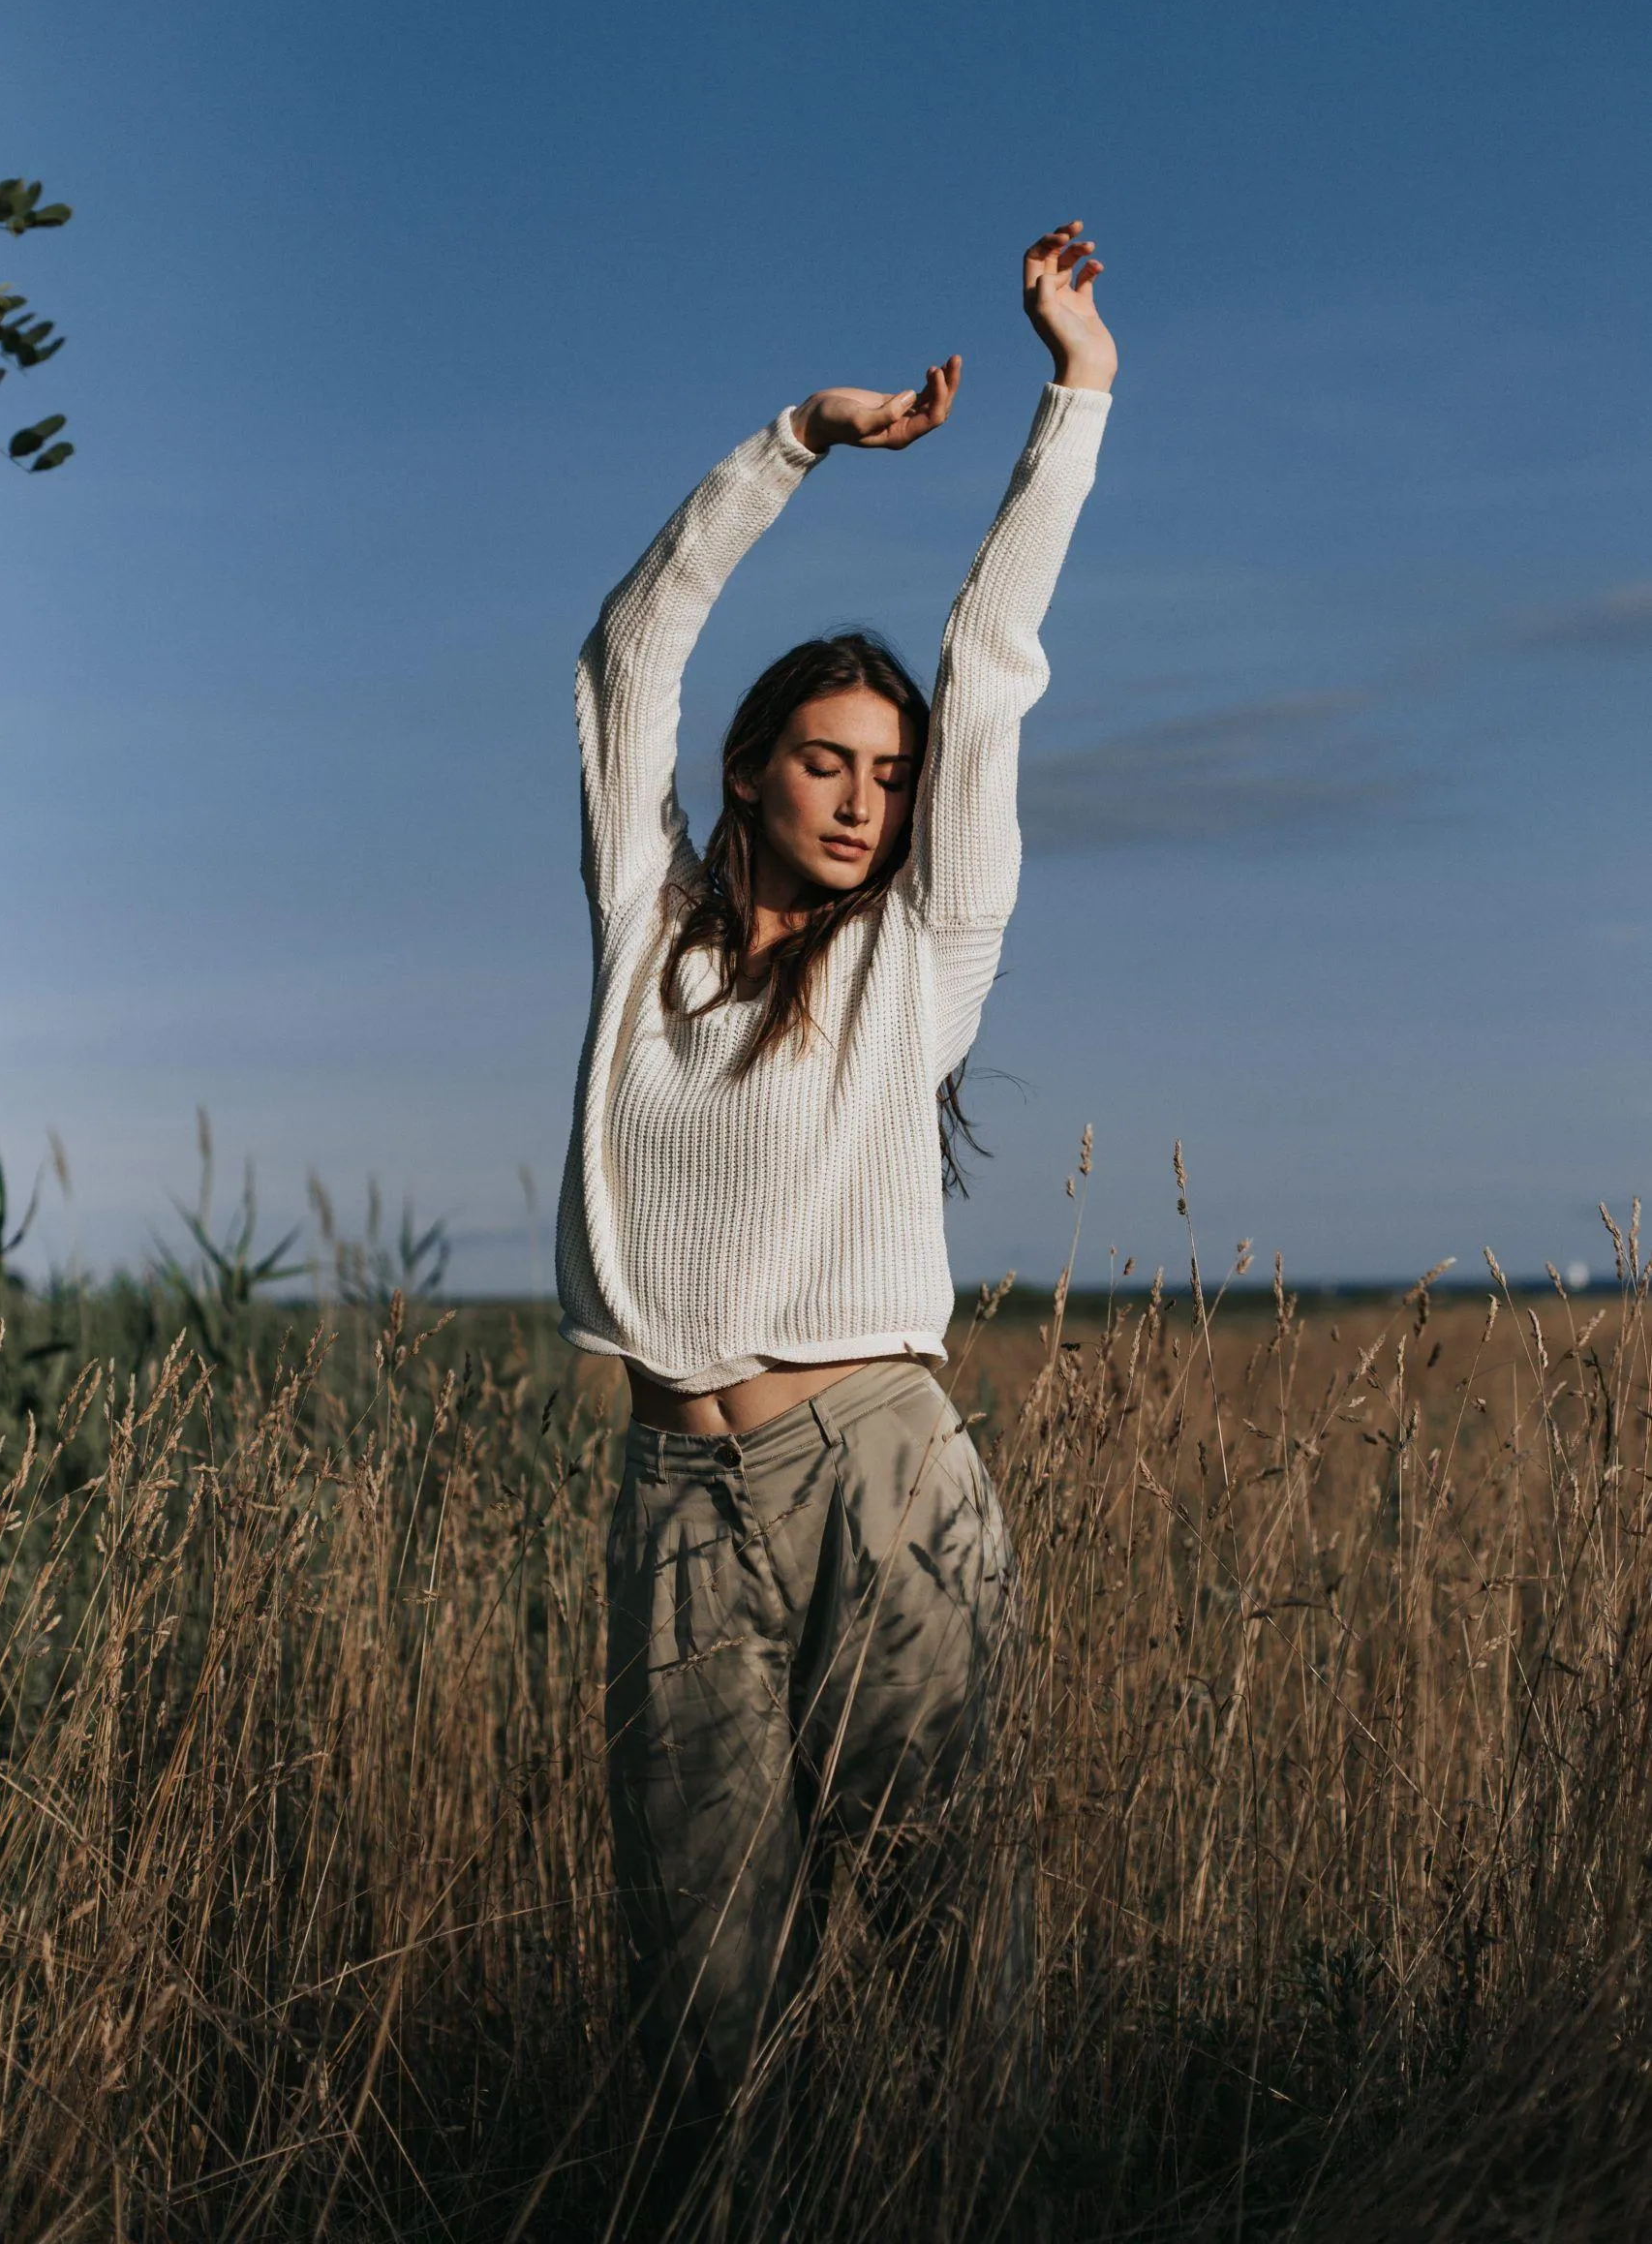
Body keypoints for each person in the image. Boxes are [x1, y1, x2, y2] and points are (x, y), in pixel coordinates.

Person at [555, 224, 1117, 2183]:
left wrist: (1073, 394)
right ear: (751, 767)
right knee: (699, 1971)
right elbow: (630, 647)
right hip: (671, 1494)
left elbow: (996, 667)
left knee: (947, 1927)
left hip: (877, 1472)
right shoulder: (647, 931)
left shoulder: (922, 961)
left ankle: (998, 2208)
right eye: (827, 756)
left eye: (888, 770)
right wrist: (795, 438)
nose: (867, 795)